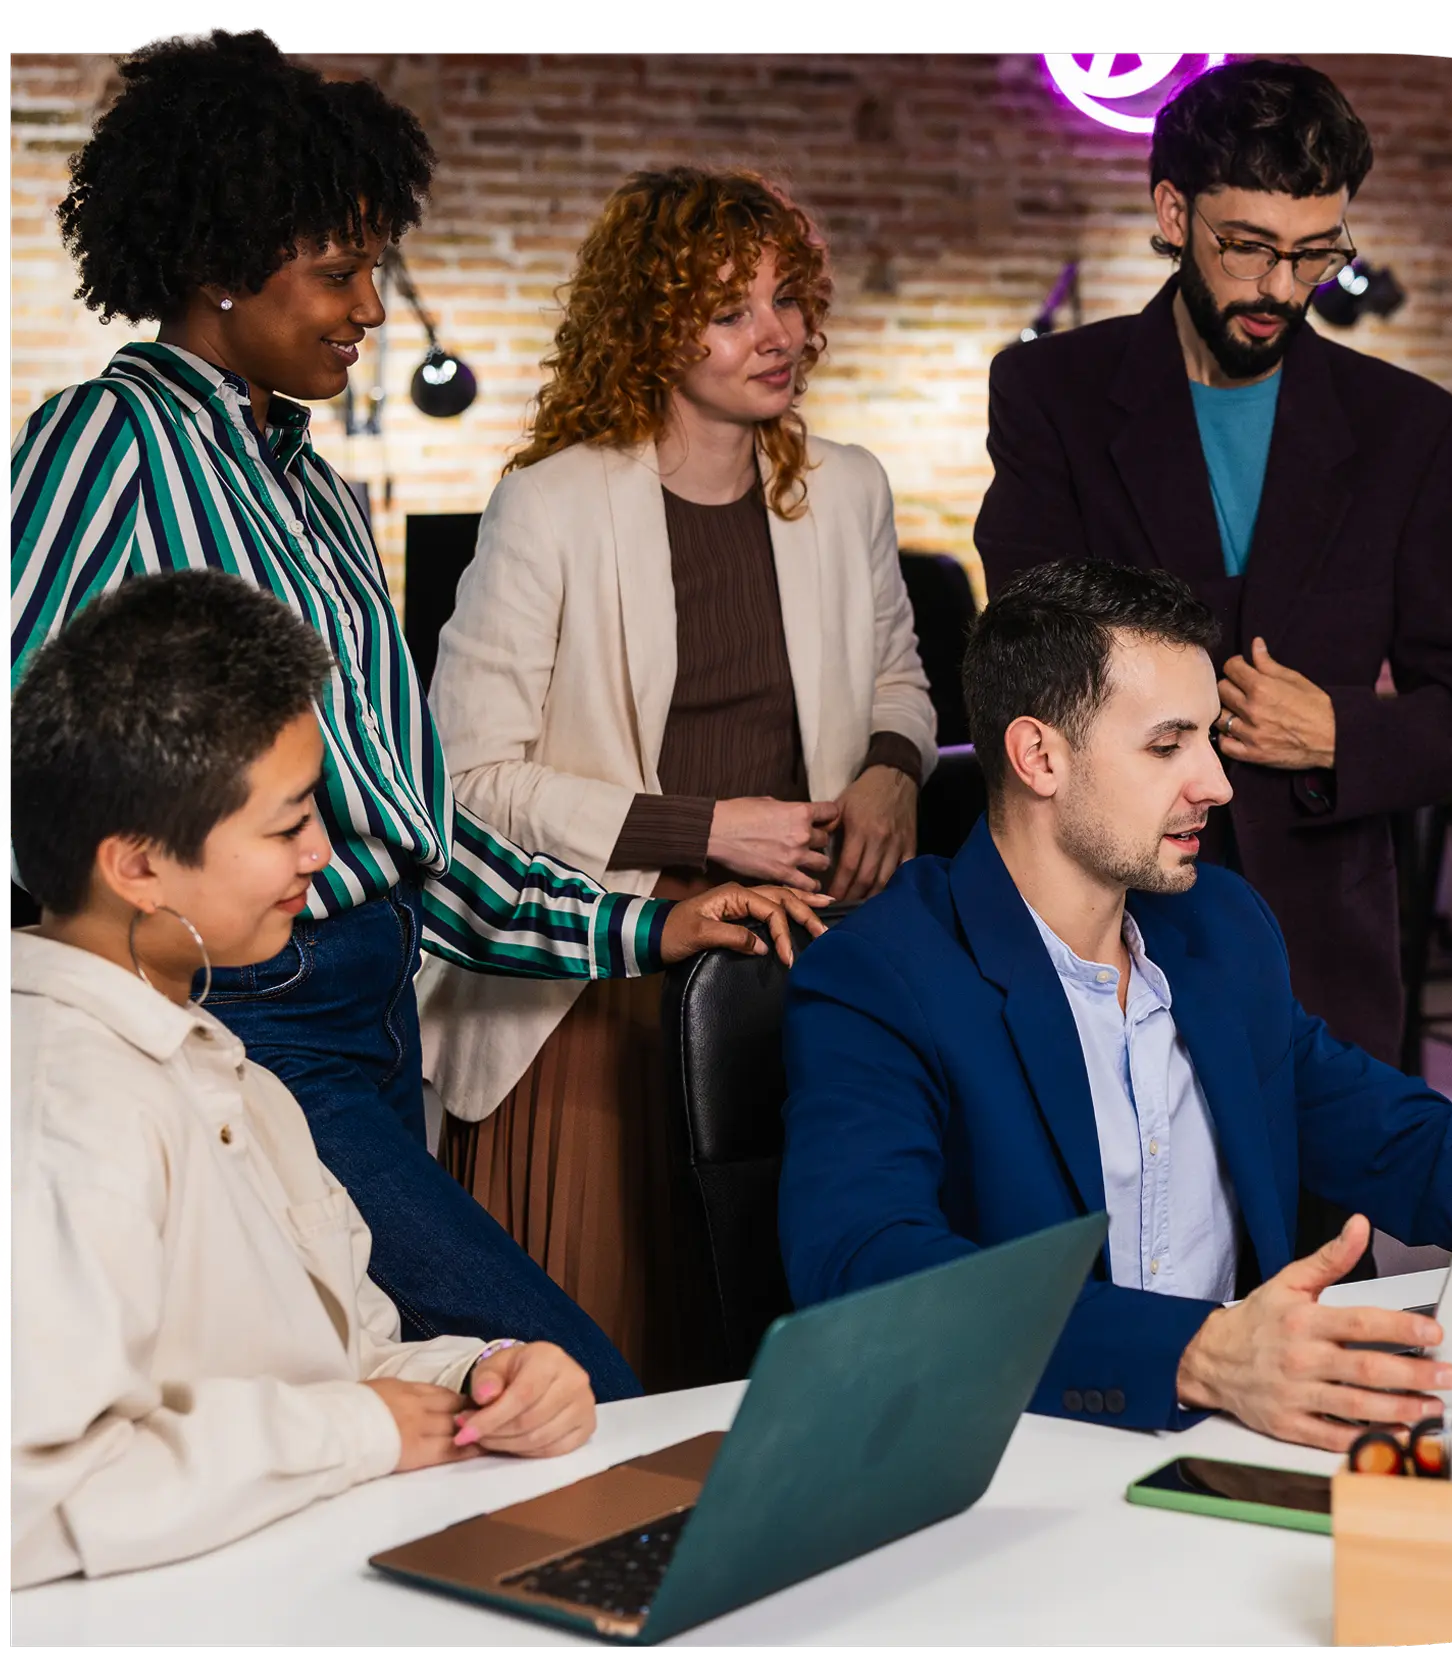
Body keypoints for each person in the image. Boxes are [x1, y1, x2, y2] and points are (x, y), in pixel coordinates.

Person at [0, 29, 819, 1405]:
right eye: (337, 269)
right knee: (575, 1383)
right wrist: (127, 967)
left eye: (374, 266)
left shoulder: (312, 491)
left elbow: (408, 829)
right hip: (240, 1008)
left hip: (377, 1011)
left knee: (394, 1399)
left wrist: (646, 923)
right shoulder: (108, 443)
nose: (372, 305)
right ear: (216, 269)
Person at [777, 560, 1452, 1449]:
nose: (1216, 783)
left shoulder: (1220, 931)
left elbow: (1396, 1136)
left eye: (1210, 739)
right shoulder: (880, 974)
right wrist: (1199, 1351)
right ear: (1039, 757)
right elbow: (867, 1271)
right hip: (1018, 1462)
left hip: (1235, 1444)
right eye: (1167, 744)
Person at [418, 166, 936, 1391]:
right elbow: (467, 781)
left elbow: (901, 686)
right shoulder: (548, 505)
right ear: (651, 323)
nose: (781, 336)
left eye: (786, 301)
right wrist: (708, 826)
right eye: (730, 310)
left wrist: (891, 775)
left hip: (792, 968)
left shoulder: (846, 487)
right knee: (606, 1372)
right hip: (595, 985)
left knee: (767, 1348)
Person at [8, 571, 601, 1586]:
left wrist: (482, 1376)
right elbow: (36, 1495)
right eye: (286, 827)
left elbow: (342, 1365)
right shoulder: (65, 1110)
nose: (325, 854)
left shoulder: (236, 1079)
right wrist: (356, 1433)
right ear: (138, 867)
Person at [972, 61, 1452, 1116]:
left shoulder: (1415, 432)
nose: (1282, 287)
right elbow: (1024, 645)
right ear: (1174, 213)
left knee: (1312, 1258)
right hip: (1098, 918)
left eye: (1316, 253)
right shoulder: (1051, 394)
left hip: (1313, 946)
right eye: (1250, 248)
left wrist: (1341, 733)